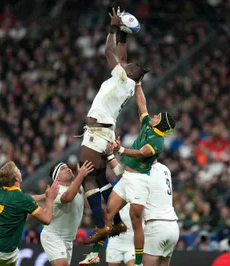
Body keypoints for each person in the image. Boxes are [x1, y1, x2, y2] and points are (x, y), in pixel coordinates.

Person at [82, 82, 176, 266]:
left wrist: (121, 150)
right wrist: (138, 84)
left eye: (158, 116)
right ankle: (94, 253)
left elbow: (142, 153)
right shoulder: (149, 125)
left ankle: (139, 262)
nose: (154, 115)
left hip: (139, 180)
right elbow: (142, 105)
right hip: (127, 179)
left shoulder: (158, 142)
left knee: (135, 220)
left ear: (161, 123)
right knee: (109, 212)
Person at [78, 5, 150, 244]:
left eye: (127, 66)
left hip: (98, 131)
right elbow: (122, 58)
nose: (124, 64)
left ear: (129, 73)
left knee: (87, 174)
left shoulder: (122, 77)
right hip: (105, 130)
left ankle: (101, 225)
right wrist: (124, 33)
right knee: (100, 178)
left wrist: (112, 27)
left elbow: (110, 54)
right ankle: (117, 221)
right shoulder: (128, 82)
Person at [0, 161, 59, 266]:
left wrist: (43, 196)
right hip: (4, 250)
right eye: (18, 170)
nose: (20, 171)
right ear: (16, 178)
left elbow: (26, 200)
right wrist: (50, 200)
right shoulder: (22, 199)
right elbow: (47, 219)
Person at [41, 161, 94, 266]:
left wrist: (80, 177)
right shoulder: (55, 189)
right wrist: (80, 176)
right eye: (62, 169)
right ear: (57, 178)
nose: (68, 169)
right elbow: (67, 198)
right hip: (53, 235)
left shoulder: (77, 186)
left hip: (68, 239)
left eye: (67, 167)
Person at [142, 162, 179, 266]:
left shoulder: (145, 170)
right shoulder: (165, 168)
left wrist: (111, 157)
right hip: (172, 225)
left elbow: (123, 177)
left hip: (156, 225)